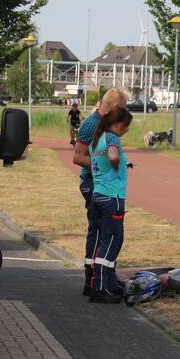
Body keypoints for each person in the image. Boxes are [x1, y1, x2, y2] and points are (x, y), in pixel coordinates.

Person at [73, 89, 128, 295]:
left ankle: (103, 276)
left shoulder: (105, 126)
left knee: (105, 233)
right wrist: (101, 167)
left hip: (101, 184)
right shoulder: (92, 124)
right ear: (115, 108)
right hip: (94, 184)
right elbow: (78, 156)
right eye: (123, 108)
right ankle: (94, 278)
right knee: (100, 232)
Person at [88, 107, 134, 303]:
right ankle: (100, 287)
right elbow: (114, 156)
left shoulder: (97, 139)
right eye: (126, 126)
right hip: (112, 196)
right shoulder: (112, 138)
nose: (126, 130)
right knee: (112, 241)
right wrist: (116, 164)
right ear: (118, 125)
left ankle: (106, 282)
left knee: (103, 241)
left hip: (98, 193)